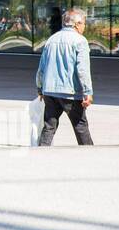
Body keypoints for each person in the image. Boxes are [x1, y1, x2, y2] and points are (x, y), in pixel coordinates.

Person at [35, 8, 94, 146]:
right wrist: (87, 92)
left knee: (49, 126)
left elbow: (41, 68)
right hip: (70, 93)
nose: (84, 27)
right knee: (80, 126)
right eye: (84, 23)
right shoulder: (80, 41)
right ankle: (90, 154)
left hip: (50, 91)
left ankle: (40, 153)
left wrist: (40, 88)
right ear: (76, 24)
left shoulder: (51, 40)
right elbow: (83, 69)